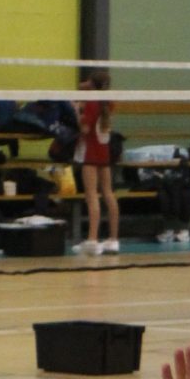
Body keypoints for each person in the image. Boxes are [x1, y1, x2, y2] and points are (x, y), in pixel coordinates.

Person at [72, 71, 120, 255]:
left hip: (90, 153)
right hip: (104, 152)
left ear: (92, 84)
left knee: (91, 195)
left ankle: (92, 240)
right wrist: (86, 87)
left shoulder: (92, 104)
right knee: (108, 193)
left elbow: (85, 128)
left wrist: (77, 111)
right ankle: (113, 240)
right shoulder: (108, 102)